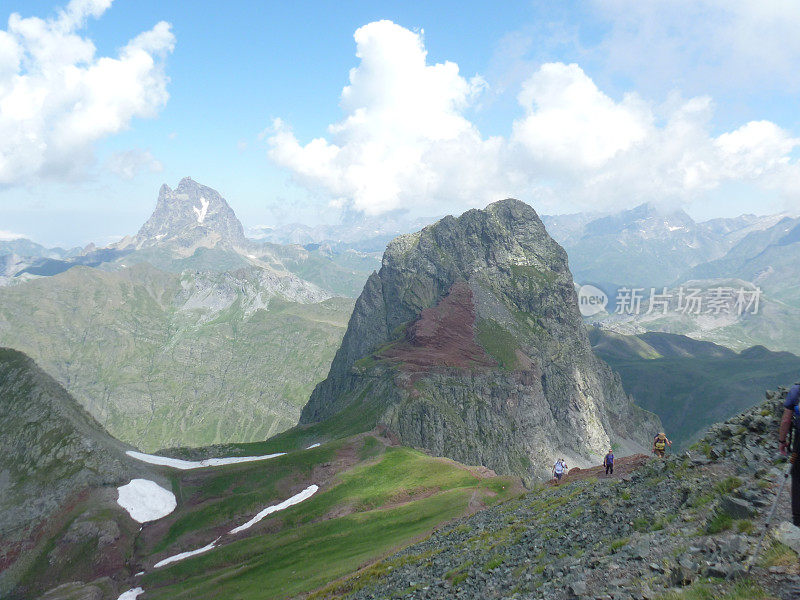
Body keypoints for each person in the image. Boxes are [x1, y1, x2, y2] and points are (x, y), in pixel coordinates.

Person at [779, 383, 800, 526]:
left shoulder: (796, 390)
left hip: (799, 442)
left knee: (798, 477)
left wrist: (782, 440)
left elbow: (786, 420)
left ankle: (798, 519)